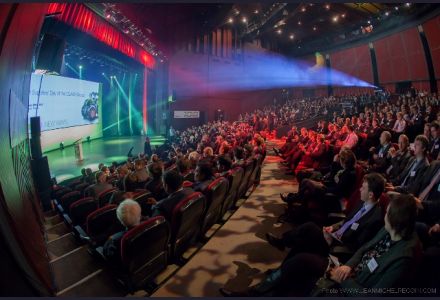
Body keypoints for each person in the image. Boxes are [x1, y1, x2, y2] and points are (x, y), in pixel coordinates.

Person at [220, 193, 421, 296]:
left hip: (348, 284)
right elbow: (363, 249)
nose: (385, 213)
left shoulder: (403, 257)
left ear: (395, 219)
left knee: (300, 260)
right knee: (303, 245)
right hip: (346, 268)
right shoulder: (388, 231)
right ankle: (264, 286)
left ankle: (259, 291)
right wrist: (348, 265)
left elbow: (371, 296)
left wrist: (342, 277)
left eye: (389, 213)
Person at [267, 173, 385, 258]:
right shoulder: (362, 203)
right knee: (302, 242)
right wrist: (333, 227)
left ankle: (282, 243)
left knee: (309, 227)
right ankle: (281, 266)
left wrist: (333, 238)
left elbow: (358, 245)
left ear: (370, 195)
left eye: (363, 188)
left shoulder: (375, 218)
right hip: (334, 235)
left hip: (339, 246)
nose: (359, 190)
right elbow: (347, 221)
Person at [103, 199, 142, 265]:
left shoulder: (115, 239)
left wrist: (109, 241)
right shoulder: (153, 225)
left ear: (121, 221)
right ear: (140, 215)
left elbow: (106, 252)